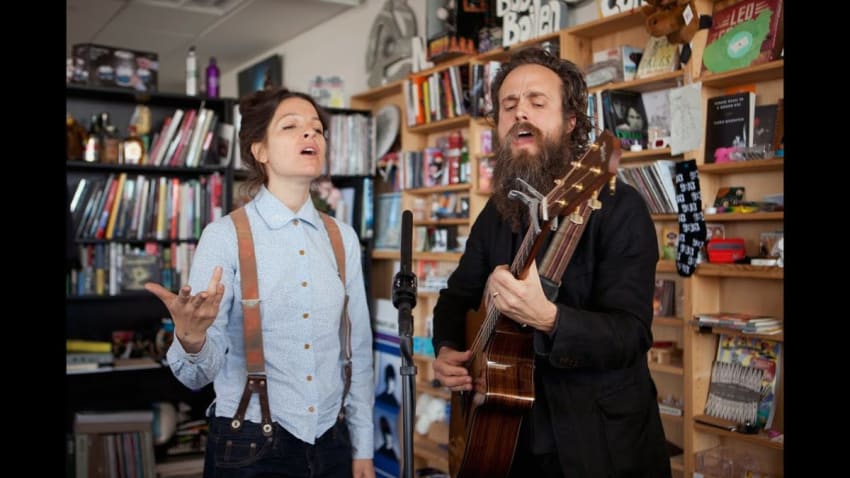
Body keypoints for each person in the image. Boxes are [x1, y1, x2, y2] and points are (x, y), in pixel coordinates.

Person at [430, 47, 671, 477]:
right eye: (509, 105)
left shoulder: (619, 209)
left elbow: (630, 335)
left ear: (571, 121)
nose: (520, 112)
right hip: (505, 437)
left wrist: (550, 319)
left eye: (537, 102)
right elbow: (456, 296)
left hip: (597, 446)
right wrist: (447, 348)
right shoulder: (496, 212)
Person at [145, 87, 375, 478]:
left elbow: (358, 351)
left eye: (317, 129)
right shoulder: (225, 236)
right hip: (249, 447)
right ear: (260, 150)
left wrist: (363, 448)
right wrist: (192, 340)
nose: (311, 136)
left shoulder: (343, 238)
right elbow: (195, 376)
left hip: (332, 443)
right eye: (291, 127)